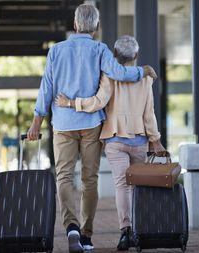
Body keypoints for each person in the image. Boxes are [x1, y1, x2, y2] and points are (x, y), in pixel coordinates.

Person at [26, 4, 157, 253]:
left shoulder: (56, 51)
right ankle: (86, 236)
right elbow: (118, 72)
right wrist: (142, 71)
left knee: (63, 176)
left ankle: (71, 227)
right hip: (91, 125)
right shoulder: (100, 50)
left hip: (63, 124)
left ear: (75, 25)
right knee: (89, 180)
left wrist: (37, 121)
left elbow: (47, 87)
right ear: (96, 27)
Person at [55, 35, 166, 251]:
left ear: (114, 54)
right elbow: (149, 114)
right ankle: (137, 231)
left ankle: (125, 231)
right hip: (140, 139)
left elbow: (98, 102)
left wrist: (70, 103)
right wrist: (156, 140)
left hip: (115, 139)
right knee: (136, 186)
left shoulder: (109, 76)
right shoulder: (145, 79)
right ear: (135, 55)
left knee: (122, 185)